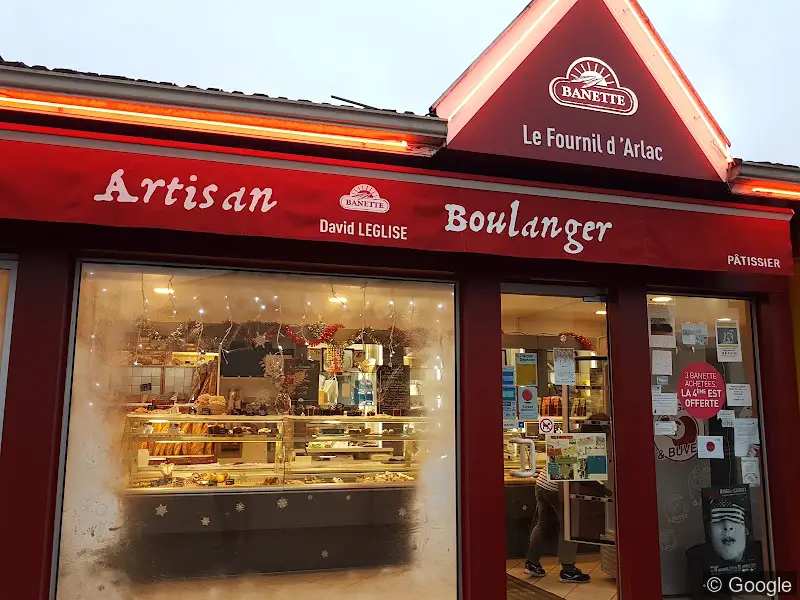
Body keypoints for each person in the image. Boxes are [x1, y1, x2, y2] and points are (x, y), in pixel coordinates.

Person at [523, 412, 611, 583]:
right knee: (570, 528)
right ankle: (568, 570)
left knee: (543, 524)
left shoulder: (573, 437)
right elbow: (587, 477)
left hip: (542, 484)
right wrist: (606, 492)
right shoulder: (589, 443)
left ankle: (531, 563)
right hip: (558, 489)